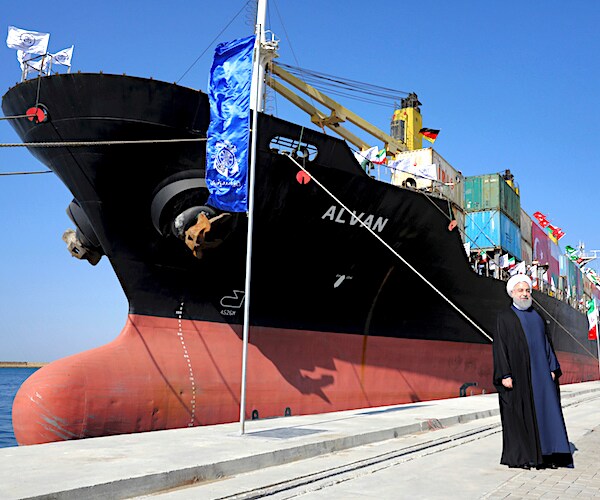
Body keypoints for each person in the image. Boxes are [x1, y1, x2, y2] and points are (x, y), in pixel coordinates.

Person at [492, 274, 573, 469]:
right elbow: (499, 347)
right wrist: (505, 374)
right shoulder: (504, 317)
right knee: (522, 416)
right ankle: (525, 458)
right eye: (520, 290)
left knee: (546, 414)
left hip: (542, 375)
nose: (525, 294)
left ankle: (549, 455)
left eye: (527, 290)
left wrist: (553, 367)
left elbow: (547, 345)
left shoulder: (537, 316)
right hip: (519, 376)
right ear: (512, 293)